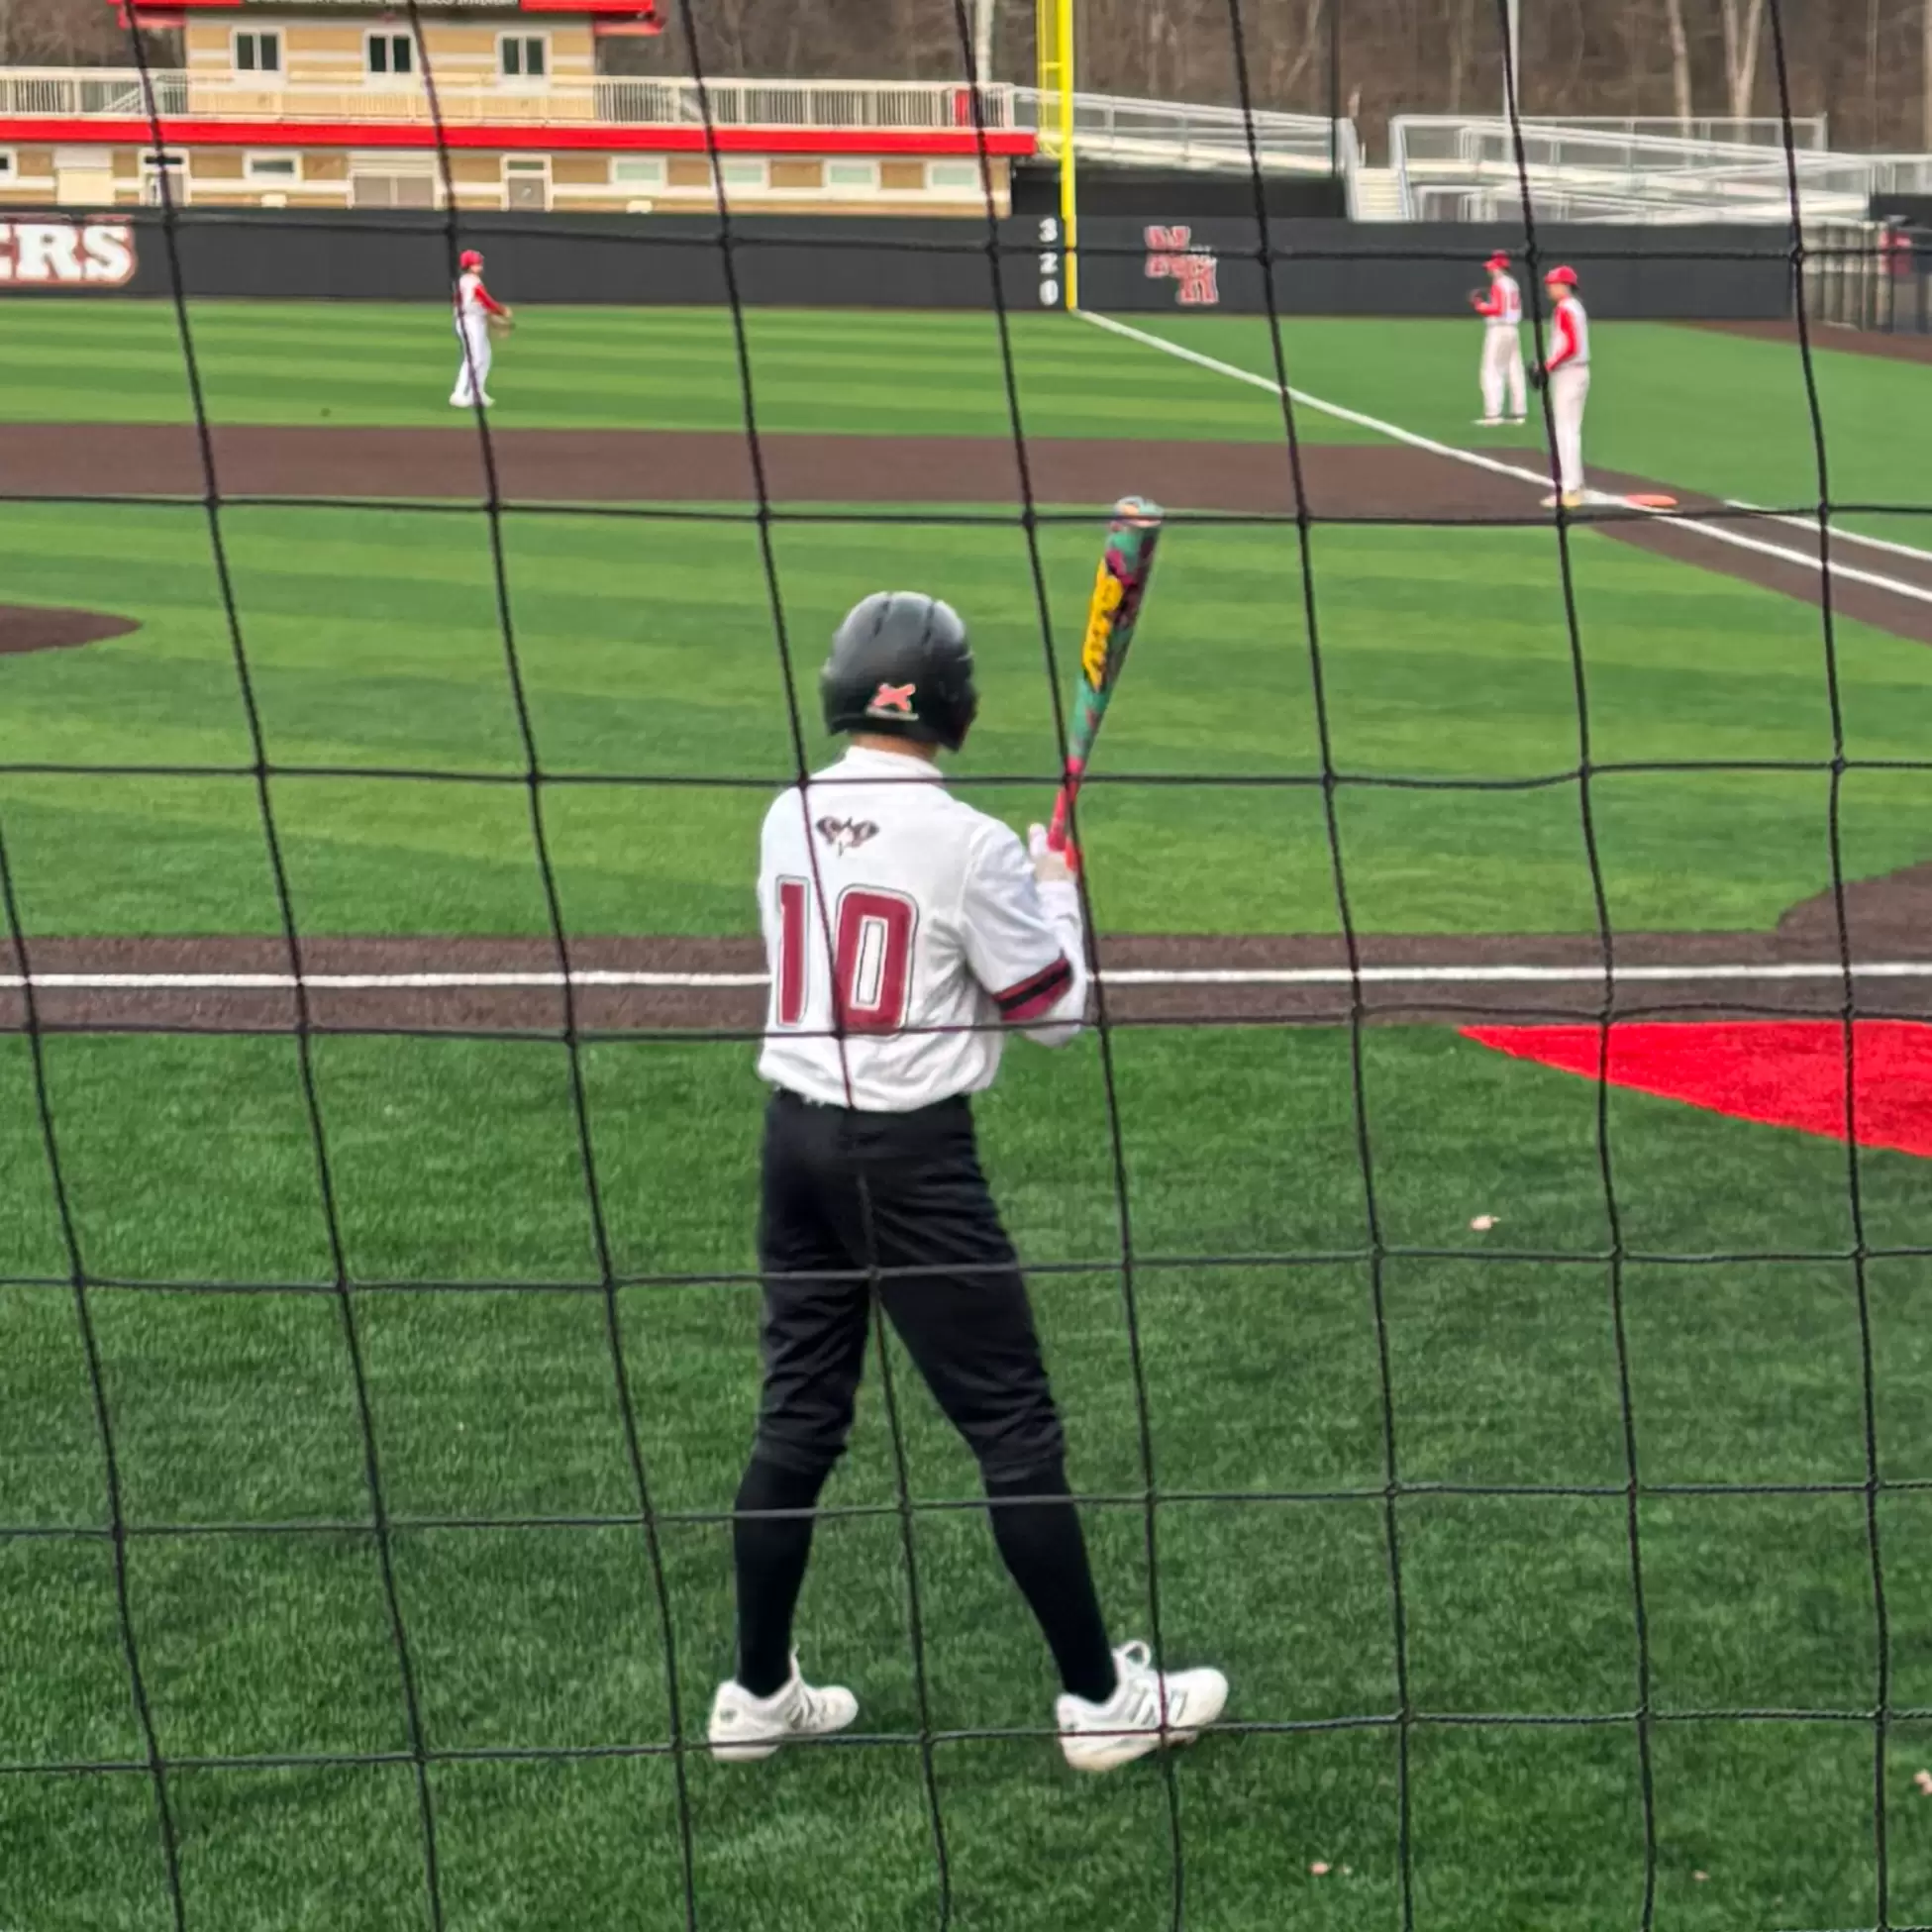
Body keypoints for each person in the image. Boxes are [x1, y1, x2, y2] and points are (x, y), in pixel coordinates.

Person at [708, 590, 1228, 1774]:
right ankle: (1099, 1701)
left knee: (797, 1416)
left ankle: (756, 1690)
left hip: (793, 1143)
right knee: (1011, 1425)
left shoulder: (788, 812)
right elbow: (1053, 1014)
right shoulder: (972, 842)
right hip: (908, 1162)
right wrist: (1056, 891)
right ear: (954, 704)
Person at [1533, 263, 1589, 509]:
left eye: (1553, 283)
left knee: (1565, 431)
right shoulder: (1575, 307)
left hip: (1569, 373)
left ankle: (1570, 488)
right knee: (1570, 430)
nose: (1549, 287)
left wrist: (1547, 366)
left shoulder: (1565, 308)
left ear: (1565, 285)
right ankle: (1576, 485)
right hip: (1576, 372)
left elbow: (1571, 346)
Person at [1469, 251, 1525, 426]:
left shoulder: (1499, 283)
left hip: (1499, 330)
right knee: (1514, 370)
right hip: (1513, 329)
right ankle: (1519, 412)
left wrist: (1480, 305)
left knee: (1492, 371)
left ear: (1499, 267)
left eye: (1492, 267)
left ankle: (1493, 414)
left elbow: (1498, 309)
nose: (1489, 270)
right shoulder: (1513, 283)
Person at [451, 248, 511, 409]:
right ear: (469, 266)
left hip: (473, 320)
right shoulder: (472, 282)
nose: (480, 266)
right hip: (469, 322)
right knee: (475, 358)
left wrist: (495, 321)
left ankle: (475, 393)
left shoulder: (465, 281)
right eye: (476, 263)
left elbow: (480, 307)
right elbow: (485, 301)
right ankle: (458, 394)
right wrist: (501, 311)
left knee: (485, 357)